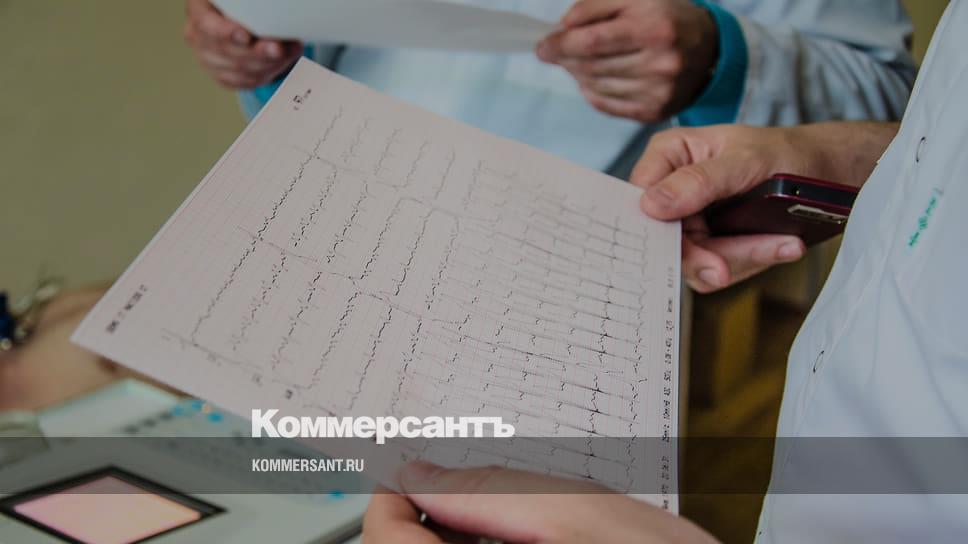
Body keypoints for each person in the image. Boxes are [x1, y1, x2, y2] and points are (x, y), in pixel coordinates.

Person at [362, 1, 968, 542]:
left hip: (560, 296)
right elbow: (941, 130)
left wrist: (722, 62)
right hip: (370, 230)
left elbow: (886, 85)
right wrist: (845, 153)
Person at [184, 0, 916, 178]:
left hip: (569, 293)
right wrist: (262, 52)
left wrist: (720, 61)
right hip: (323, 213)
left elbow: (898, 113)